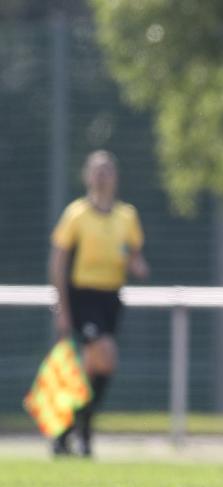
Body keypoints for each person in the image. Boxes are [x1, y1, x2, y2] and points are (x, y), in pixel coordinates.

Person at [49, 150, 149, 457]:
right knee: (105, 354)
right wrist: (62, 308)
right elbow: (58, 262)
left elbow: (134, 255)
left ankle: (67, 431)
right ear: (87, 176)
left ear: (116, 177)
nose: (102, 175)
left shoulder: (126, 216)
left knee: (97, 366)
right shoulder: (76, 214)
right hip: (83, 296)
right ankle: (84, 431)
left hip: (110, 298)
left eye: (108, 170)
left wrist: (137, 265)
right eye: (97, 170)